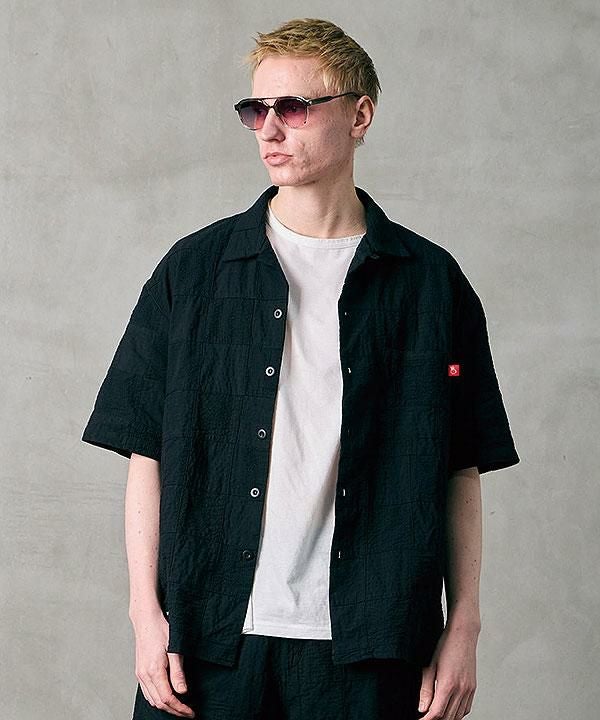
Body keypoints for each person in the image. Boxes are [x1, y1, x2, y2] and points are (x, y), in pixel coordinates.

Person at [81, 17, 520, 720]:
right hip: (210, 640)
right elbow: (147, 453)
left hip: (374, 646)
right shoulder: (193, 272)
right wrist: (145, 615)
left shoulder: (431, 284)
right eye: (256, 109)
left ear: (359, 115)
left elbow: (459, 467)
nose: (270, 129)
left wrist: (463, 625)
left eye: (294, 107)